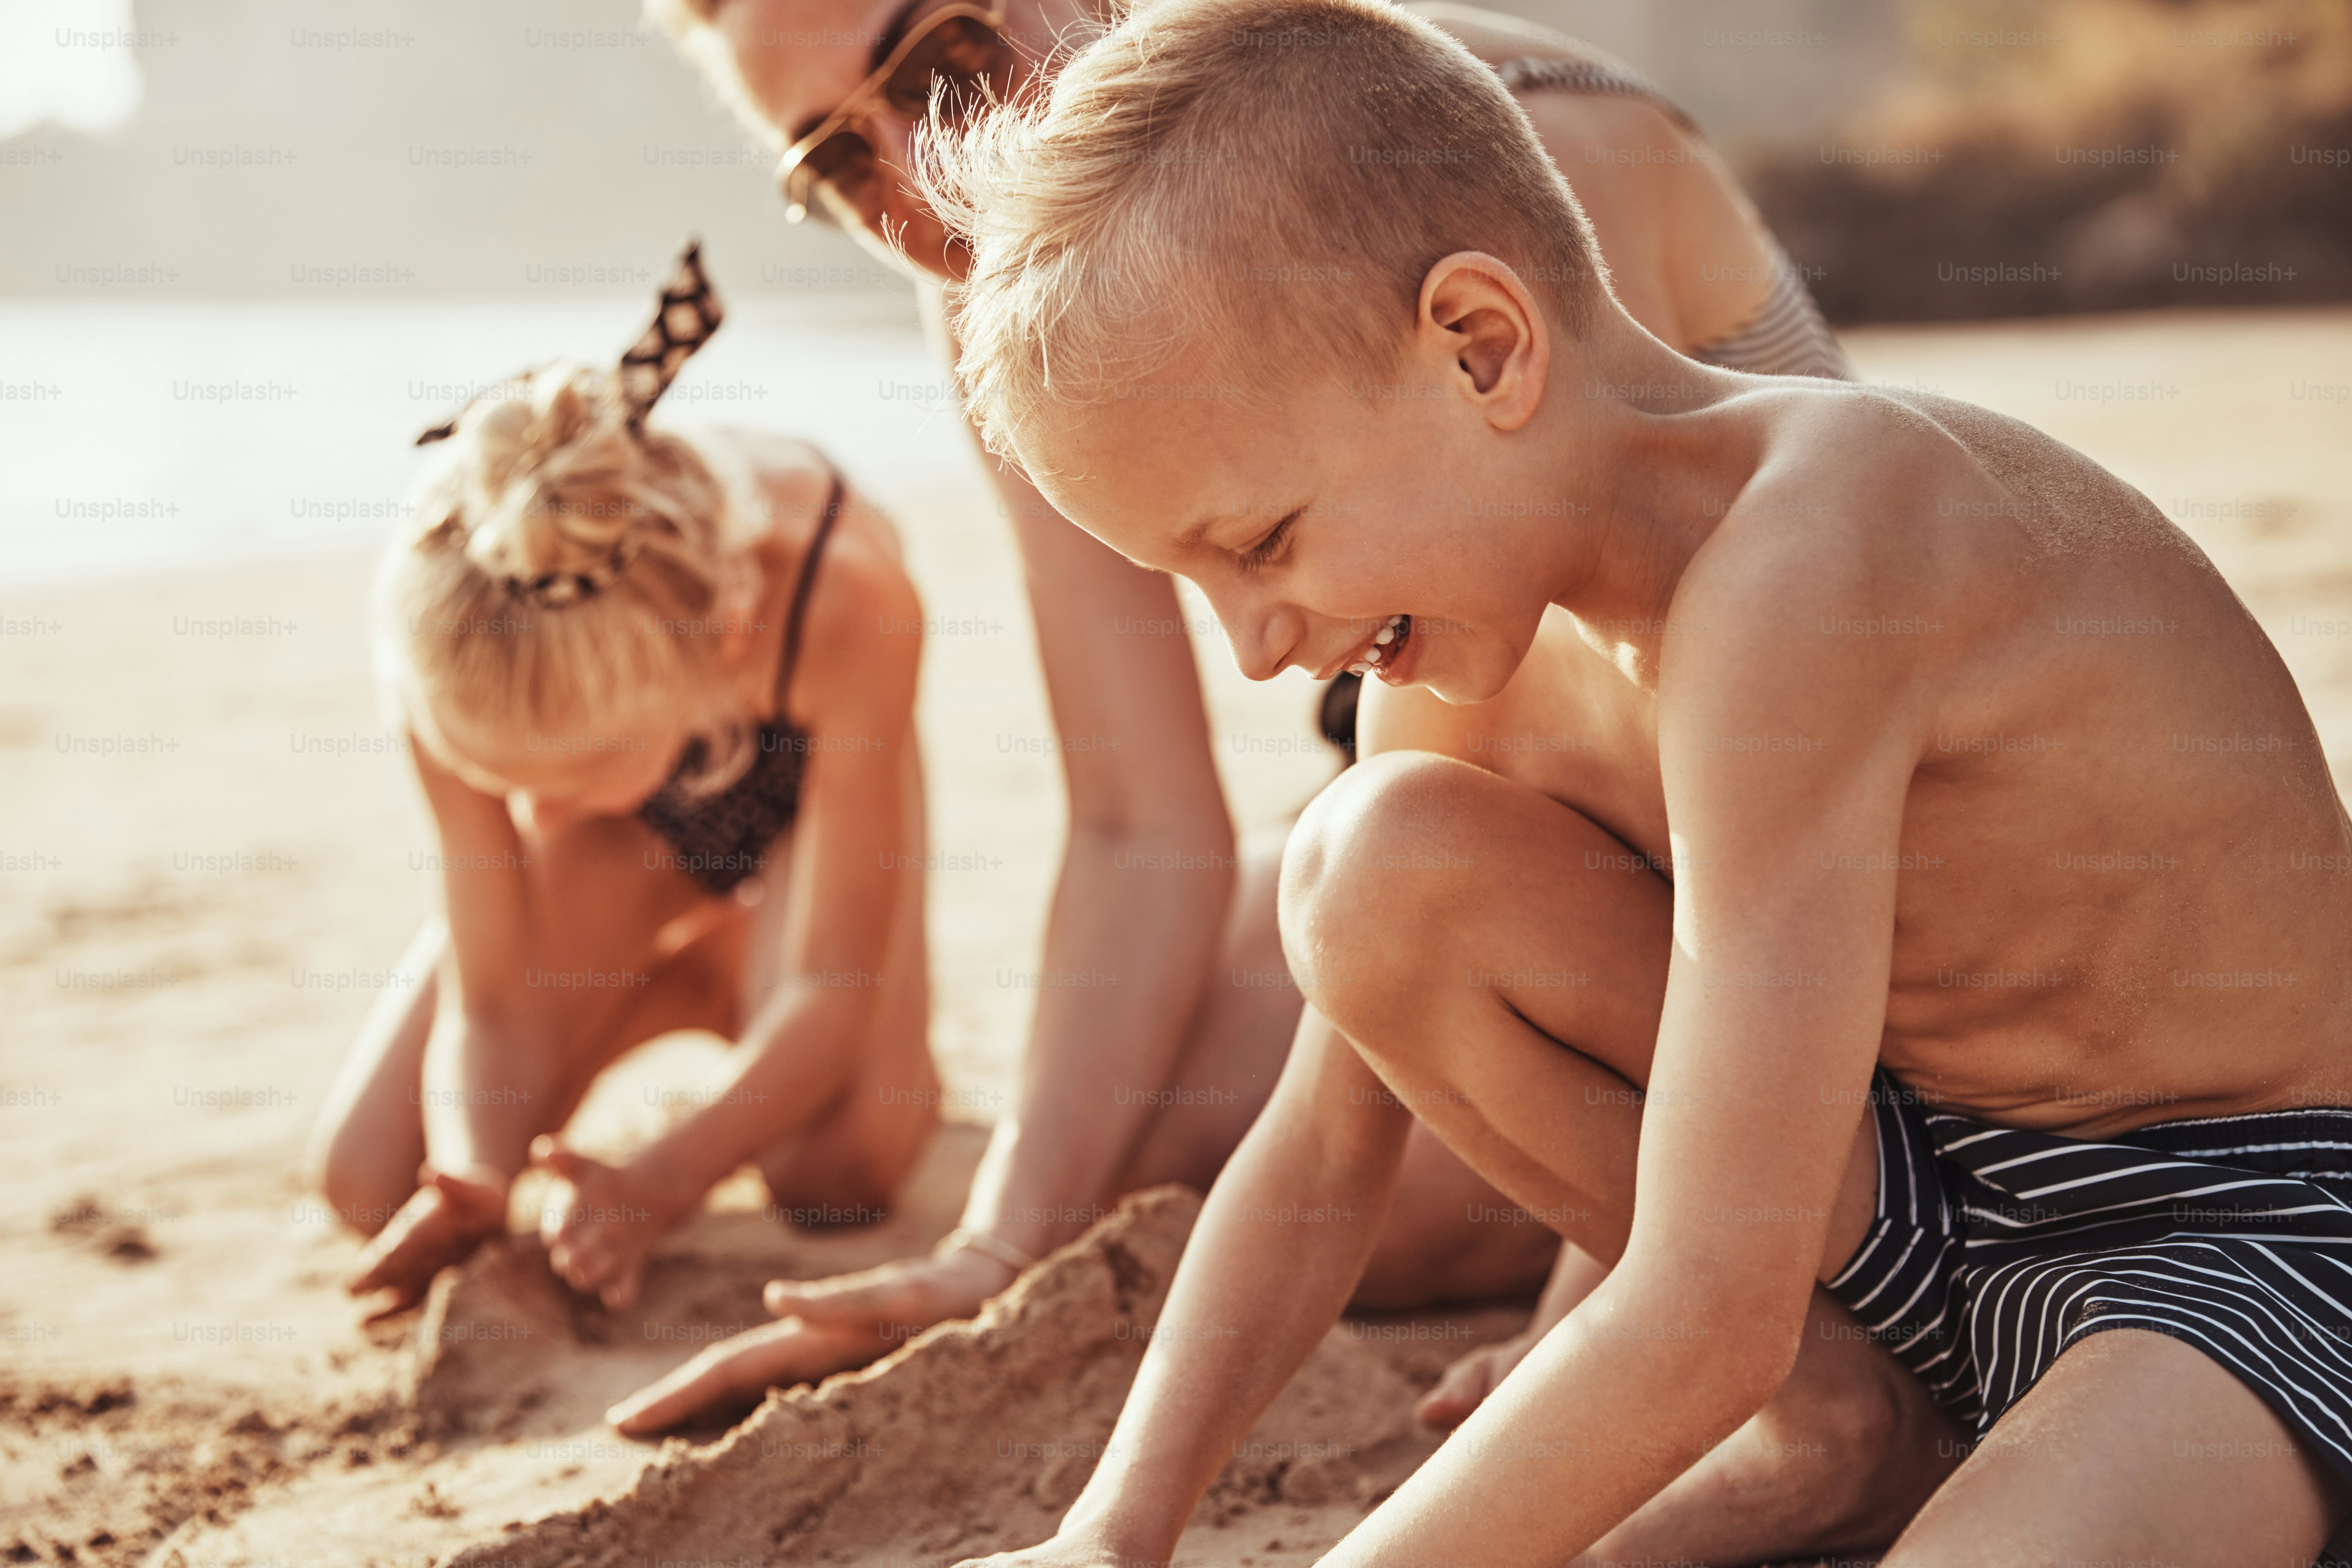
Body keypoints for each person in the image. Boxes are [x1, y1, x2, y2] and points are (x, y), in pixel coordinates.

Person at [916, 0, 2352, 1560]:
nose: (1257, 647)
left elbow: (1698, 1309)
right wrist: (1110, 1535)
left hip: (2233, 1230)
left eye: (1259, 542)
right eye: (1189, 581)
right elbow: (1320, 1147)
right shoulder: (1490, 657)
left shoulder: (1817, 545)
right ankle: (1846, 1421)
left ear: (1480, 346)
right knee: (1365, 866)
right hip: (1899, 1214)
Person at [612, 0, 1852, 1435]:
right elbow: (1141, 820)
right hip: (1449, 791)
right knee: (1141, 1135)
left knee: (1334, 1161)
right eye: (832, 164)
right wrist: (998, 1253)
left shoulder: (1455, 144)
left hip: (1773, 802)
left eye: (941, 61)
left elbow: (1666, 775)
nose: (913, 165)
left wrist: (1602, 1314)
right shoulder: (995, 271)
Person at [308, 247, 940, 1333]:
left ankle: (744, 971)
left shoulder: (839, 600)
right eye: (506, 789)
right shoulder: (450, 637)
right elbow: (492, 997)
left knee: (832, 1174)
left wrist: (666, 1177)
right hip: (639, 847)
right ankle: (695, 984)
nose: (547, 812)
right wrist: (474, 1176)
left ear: (712, 657)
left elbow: (831, 985)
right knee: (373, 1178)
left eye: (575, 782)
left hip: (810, 804)